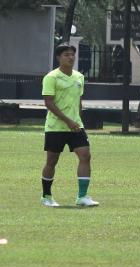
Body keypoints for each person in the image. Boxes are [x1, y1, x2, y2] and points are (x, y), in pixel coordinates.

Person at [41, 43, 99, 207]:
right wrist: (68, 120)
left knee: (85, 155)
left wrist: (78, 121)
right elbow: (49, 103)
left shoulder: (79, 77)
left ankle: (82, 196)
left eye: (72, 54)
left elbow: (79, 101)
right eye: (66, 54)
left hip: (76, 127)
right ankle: (46, 196)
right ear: (59, 57)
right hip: (55, 127)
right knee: (52, 161)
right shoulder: (51, 77)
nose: (70, 57)